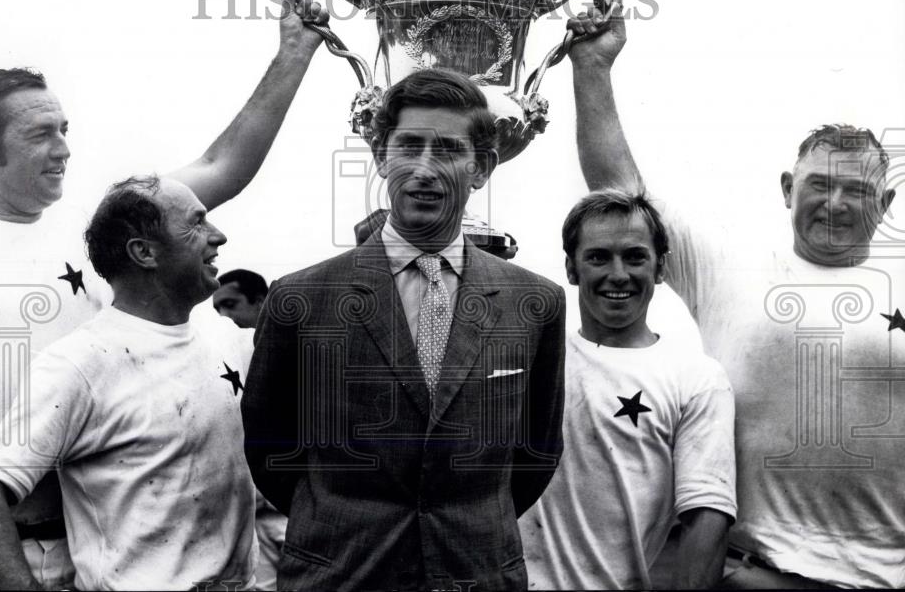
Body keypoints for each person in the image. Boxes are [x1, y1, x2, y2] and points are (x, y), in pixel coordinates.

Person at [0, 0, 328, 589]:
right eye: (40, 134)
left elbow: (222, 168)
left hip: (87, 550)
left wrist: (294, 54)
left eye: (64, 128)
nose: (64, 149)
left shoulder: (101, 223)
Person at [568, 0, 905, 588]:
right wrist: (592, 67)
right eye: (819, 184)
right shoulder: (729, 267)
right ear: (786, 188)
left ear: (885, 204)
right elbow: (619, 189)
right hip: (753, 574)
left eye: (856, 190)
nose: (835, 203)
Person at [243, 69, 567, 591]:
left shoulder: (536, 304)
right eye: (409, 146)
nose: (424, 169)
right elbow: (270, 449)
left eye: (447, 150)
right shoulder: (300, 299)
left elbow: (536, 453)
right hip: (342, 573)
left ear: (481, 167)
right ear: (380, 158)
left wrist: (463, 519)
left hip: (476, 572)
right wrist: (344, 522)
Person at [0, 176, 255, 590]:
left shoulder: (224, 335)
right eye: (196, 223)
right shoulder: (79, 363)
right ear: (144, 252)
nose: (218, 237)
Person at [519, 190, 736, 590]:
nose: (618, 274)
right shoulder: (533, 354)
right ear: (571, 268)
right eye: (598, 257)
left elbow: (707, 513)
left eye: (635, 257)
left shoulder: (697, 376)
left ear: (659, 268)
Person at [211, 267, 283, 591]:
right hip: (248, 522)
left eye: (231, 304)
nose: (224, 316)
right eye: (217, 309)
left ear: (260, 301)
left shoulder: (297, 352)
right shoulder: (221, 361)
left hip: (293, 512)